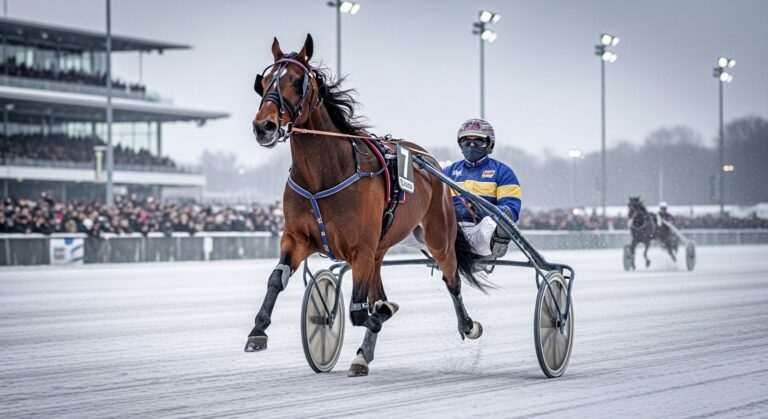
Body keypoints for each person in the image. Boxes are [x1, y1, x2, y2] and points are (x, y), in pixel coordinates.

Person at [443, 118, 522, 258]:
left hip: (478, 230)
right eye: (466, 141)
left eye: (478, 141)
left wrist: (482, 210)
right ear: (460, 144)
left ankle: (498, 240)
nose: (472, 145)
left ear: (489, 144)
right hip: (448, 231)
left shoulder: (503, 172)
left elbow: (511, 209)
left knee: (490, 222)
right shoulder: (447, 172)